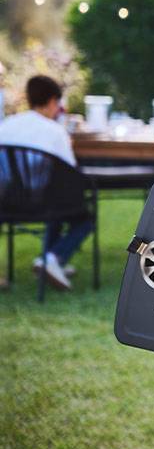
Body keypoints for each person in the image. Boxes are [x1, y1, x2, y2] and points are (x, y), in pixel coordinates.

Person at [0, 75, 94, 290]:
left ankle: (51, 259)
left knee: (58, 206)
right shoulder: (55, 131)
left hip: (6, 201)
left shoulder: (6, 126)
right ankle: (53, 257)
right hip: (43, 203)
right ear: (53, 101)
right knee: (84, 217)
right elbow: (71, 170)